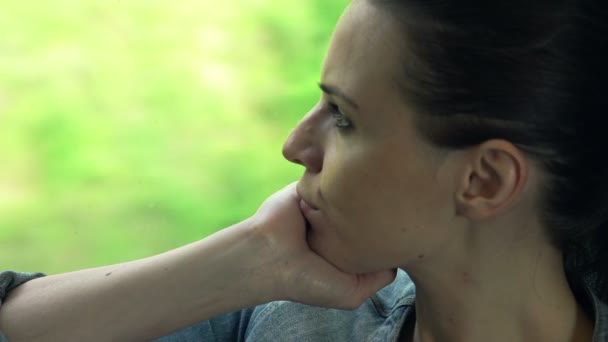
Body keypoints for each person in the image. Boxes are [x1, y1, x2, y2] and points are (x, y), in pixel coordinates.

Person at [1, 0, 607, 340]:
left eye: (342, 118)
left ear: (484, 181)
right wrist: (249, 255)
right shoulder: (288, 314)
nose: (295, 146)